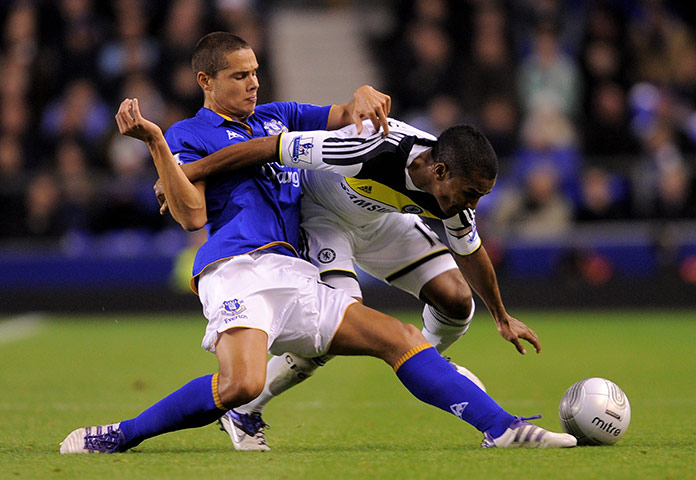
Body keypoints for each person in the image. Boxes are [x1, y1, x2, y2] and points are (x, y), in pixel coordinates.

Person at [60, 32, 575, 453]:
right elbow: (192, 214)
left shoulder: (276, 114)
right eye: (240, 76)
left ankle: (504, 428)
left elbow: (344, 111)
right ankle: (121, 435)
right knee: (240, 384)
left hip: (296, 269)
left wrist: (363, 95)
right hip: (239, 267)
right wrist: (156, 147)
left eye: (256, 72)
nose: (253, 84)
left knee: (400, 337)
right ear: (205, 81)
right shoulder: (186, 133)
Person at [157, 116, 541, 451]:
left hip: (383, 223)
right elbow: (267, 147)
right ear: (439, 172)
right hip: (324, 222)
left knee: (458, 300)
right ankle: (243, 409)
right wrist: (188, 173)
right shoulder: (366, 148)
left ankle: (431, 365)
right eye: (472, 194)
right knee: (336, 328)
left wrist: (501, 316)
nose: (473, 205)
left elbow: (470, 252)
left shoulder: (454, 194)